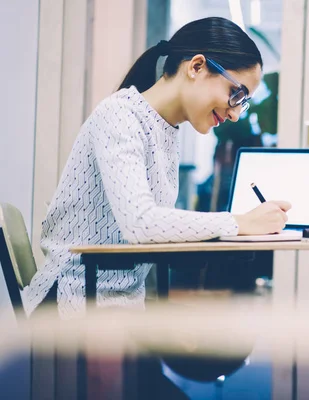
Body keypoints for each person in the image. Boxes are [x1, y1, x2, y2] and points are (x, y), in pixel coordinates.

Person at [25, 17, 291, 319]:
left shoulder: (165, 129)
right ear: (196, 67)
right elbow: (141, 222)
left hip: (119, 305)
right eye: (237, 95)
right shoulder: (119, 115)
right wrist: (239, 223)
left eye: (242, 103)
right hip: (71, 304)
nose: (234, 114)